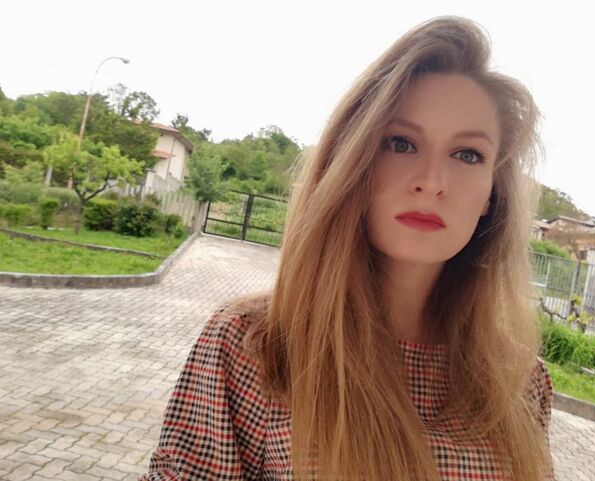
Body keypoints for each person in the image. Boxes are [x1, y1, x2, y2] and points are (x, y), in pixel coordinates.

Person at [140, 16, 555, 481]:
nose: (432, 182)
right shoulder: (256, 345)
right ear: (352, 162)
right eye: (400, 143)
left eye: (467, 155)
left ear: (490, 196)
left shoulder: (521, 380)